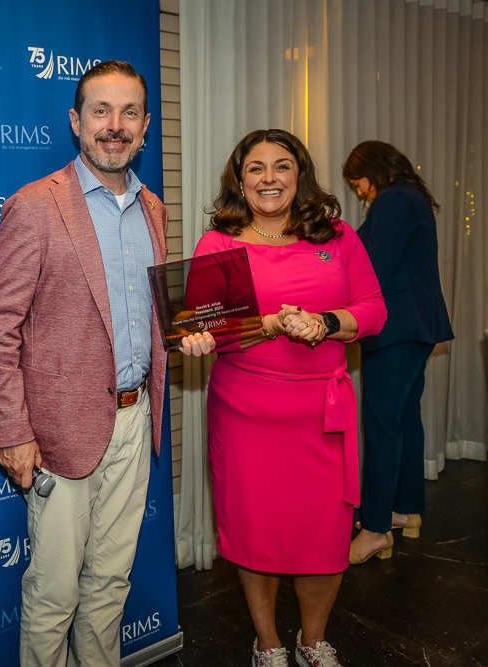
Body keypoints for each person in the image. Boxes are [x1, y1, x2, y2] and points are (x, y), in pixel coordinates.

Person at [0, 61, 168, 667]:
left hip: (135, 418)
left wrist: (191, 335)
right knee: (54, 594)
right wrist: (13, 431)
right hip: (61, 432)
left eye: (129, 112)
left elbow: (154, 314)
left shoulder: (154, 208)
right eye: (101, 111)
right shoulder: (36, 205)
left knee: (111, 584)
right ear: (76, 121)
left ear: (145, 125)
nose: (115, 125)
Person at [180, 129, 387, 667]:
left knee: (324, 533)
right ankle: (268, 642)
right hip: (245, 415)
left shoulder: (336, 235)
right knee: (256, 531)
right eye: (256, 168)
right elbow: (205, 328)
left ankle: (313, 640)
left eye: (281, 166)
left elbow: (373, 308)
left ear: (300, 175)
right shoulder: (220, 243)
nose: (269, 178)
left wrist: (327, 322)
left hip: (322, 414)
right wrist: (244, 329)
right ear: (239, 179)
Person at [342, 141, 454, 564]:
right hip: (415, 327)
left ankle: (375, 529)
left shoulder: (393, 200)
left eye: (357, 182)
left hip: (396, 329)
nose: (359, 191)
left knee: (381, 424)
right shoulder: (410, 196)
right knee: (404, 418)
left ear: (372, 170)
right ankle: (404, 511)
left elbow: (371, 266)